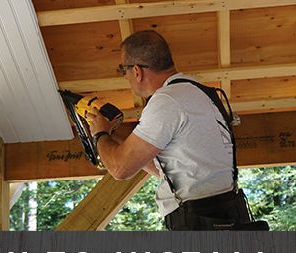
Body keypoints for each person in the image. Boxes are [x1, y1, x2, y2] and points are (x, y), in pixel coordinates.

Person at [86, 29, 252, 231]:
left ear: (137, 71)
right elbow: (167, 171)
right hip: (228, 214)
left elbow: (120, 169)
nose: (126, 77)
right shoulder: (200, 92)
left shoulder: (166, 101)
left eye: (124, 70)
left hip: (196, 223)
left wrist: (100, 133)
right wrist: (122, 138)